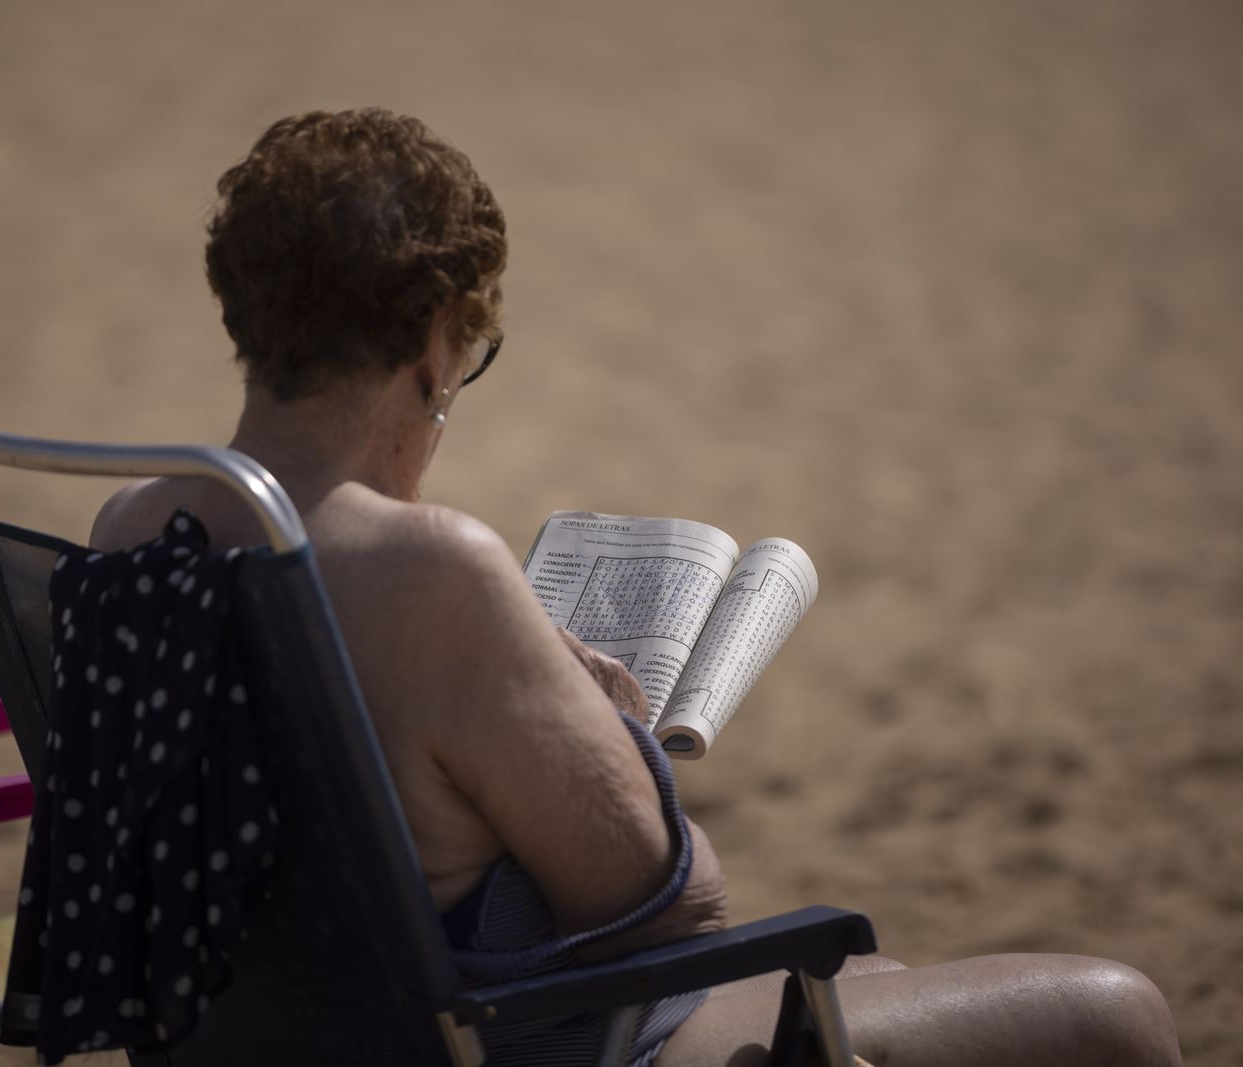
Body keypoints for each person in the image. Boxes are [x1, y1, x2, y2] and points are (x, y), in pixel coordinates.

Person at [90, 108, 1180, 1066]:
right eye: (471, 356)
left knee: (887, 984)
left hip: (258, 1038)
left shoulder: (129, 529)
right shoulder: (429, 571)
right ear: (432, 346)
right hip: (516, 1039)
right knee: (1110, 1016)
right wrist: (614, 736)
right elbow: (670, 918)